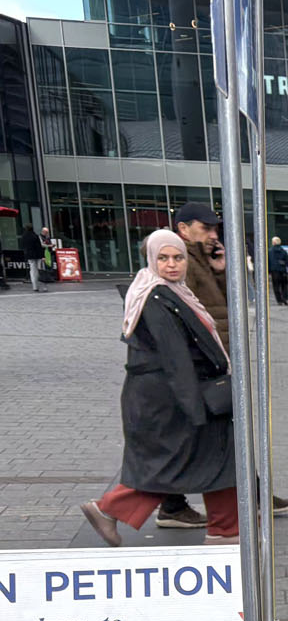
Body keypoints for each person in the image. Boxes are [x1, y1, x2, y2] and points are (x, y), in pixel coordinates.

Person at [79, 230, 239, 546]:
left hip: (170, 394)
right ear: (151, 260)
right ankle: (223, 530)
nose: (171, 264)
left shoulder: (170, 292)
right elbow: (175, 356)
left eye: (178, 257)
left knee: (199, 458)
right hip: (171, 397)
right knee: (196, 458)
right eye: (163, 258)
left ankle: (224, 528)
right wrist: (195, 409)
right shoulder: (155, 297)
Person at [165, 203, 288, 525]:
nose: (213, 234)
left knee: (217, 434)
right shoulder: (179, 260)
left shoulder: (202, 260)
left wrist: (221, 270)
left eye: (215, 228)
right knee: (209, 435)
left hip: (216, 358)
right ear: (184, 229)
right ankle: (150, 504)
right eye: (205, 228)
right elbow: (186, 311)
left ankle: (246, 497)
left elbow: (225, 305)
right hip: (202, 363)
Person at [21, 224, 46, 292]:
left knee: (32, 270)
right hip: (37, 255)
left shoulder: (24, 236)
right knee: (40, 269)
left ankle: (35, 286)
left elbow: (23, 246)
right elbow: (39, 247)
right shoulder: (35, 236)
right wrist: (42, 256)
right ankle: (42, 284)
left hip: (29, 255)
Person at [268, 236, 288, 306]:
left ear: (273, 243)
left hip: (274, 272)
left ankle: (279, 300)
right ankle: (285, 298)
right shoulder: (283, 251)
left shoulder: (270, 251)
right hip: (283, 271)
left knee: (276, 286)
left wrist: (269, 271)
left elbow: (268, 262)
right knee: (284, 286)